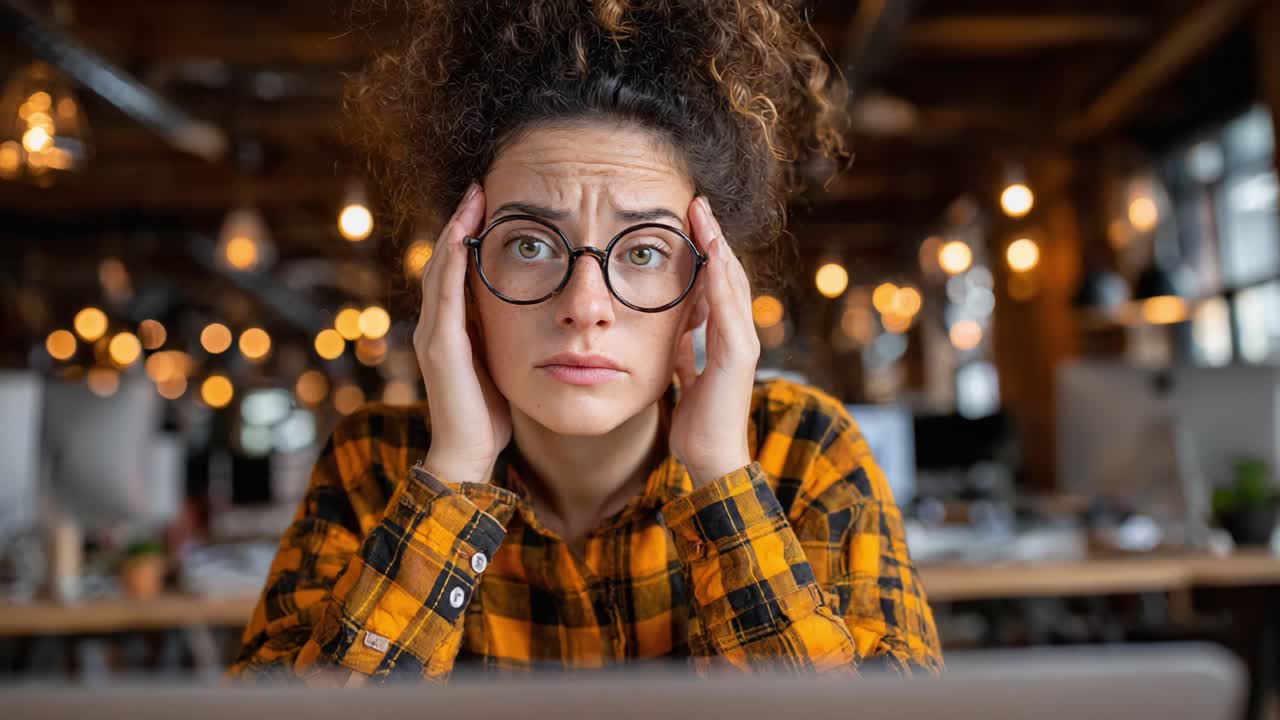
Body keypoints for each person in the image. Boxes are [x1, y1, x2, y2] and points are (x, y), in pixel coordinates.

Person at [227, 0, 941, 685]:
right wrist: (451, 479)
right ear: (460, 272)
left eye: (643, 252)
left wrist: (723, 476)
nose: (584, 307)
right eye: (532, 244)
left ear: (704, 289)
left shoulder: (805, 452)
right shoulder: (374, 468)